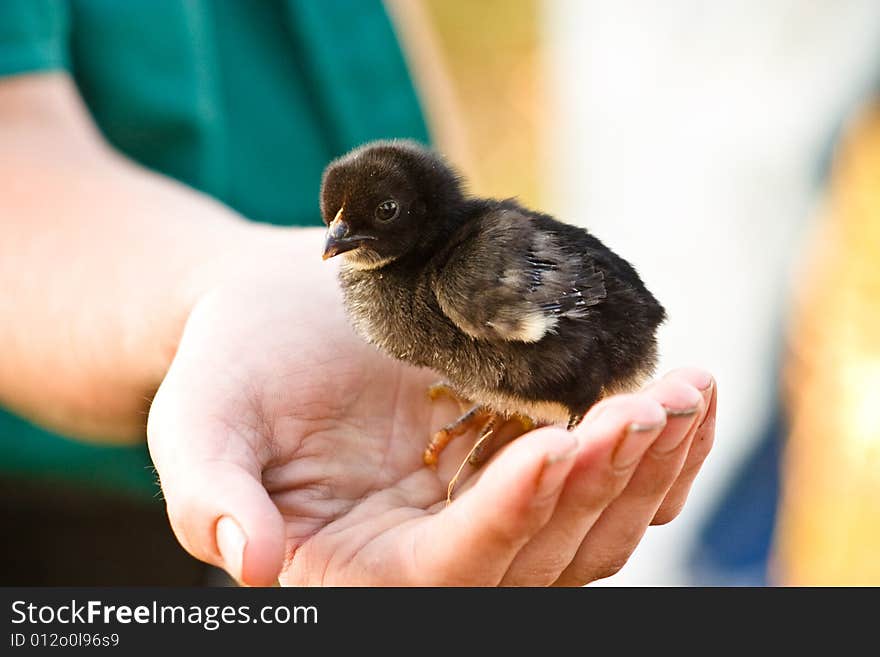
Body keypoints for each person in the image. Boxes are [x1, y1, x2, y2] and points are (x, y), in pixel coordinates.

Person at [0, 1, 716, 586]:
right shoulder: (417, 271)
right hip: (72, 503)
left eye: (363, 222)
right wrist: (215, 292)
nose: (337, 242)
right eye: (335, 223)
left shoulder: (466, 278)